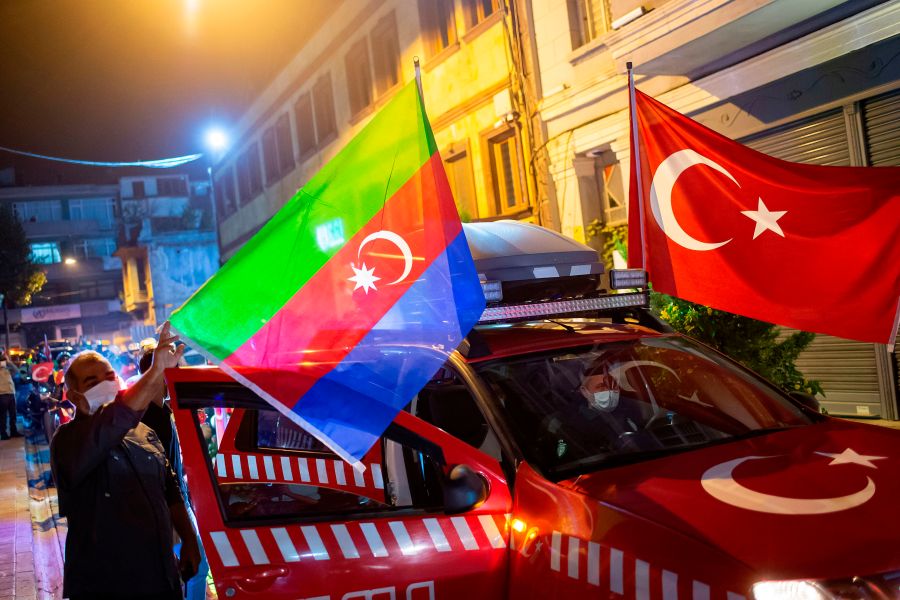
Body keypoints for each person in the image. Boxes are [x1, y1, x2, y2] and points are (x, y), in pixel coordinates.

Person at [50, 322, 201, 600]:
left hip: (160, 576)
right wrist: (156, 371)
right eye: (93, 382)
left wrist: (190, 540)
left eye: (110, 376)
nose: (106, 385)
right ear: (73, 397)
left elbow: (170, 489)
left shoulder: (144, 432)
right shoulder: (67, 440)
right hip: (105, 583)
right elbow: (112, 421)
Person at [0, 351, 22, 439]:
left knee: (13, 414)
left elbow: (16, 370)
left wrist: (8, 361)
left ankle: (14, 431)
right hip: (2, 394)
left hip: (11, 393)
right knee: (3, 416)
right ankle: (3, 433)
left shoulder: (7, 369)